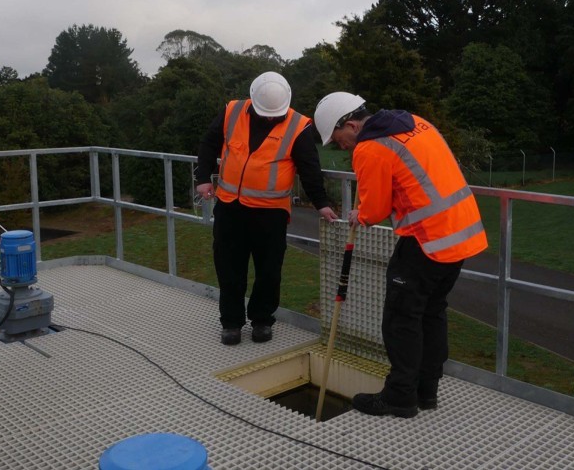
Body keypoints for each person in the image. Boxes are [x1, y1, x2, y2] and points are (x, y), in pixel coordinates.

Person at [313, 92, 488, 418]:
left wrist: (360, 214)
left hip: (426, 240)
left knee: (400, 318)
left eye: (339, 140)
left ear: (351, 125)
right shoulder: (416, 123)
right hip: (461, 235)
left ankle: (400, 397)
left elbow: (376, 208)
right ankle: (426, 392)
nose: (342, 147)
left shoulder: (370, 147)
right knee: (432, 312)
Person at [196, 72, 338, 346]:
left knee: (269, 271)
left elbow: (309, 168)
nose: (271, 118)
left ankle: (262, 320)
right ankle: (231, 323)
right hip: (230, 207)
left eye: (276, 115)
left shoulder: (299, 126)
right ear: (252, 99)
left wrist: (321, 203)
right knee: (229, 268)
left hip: (270, 213)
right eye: (266, 114)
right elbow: (208, 143)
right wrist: (203, 178)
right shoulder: (232, 111)